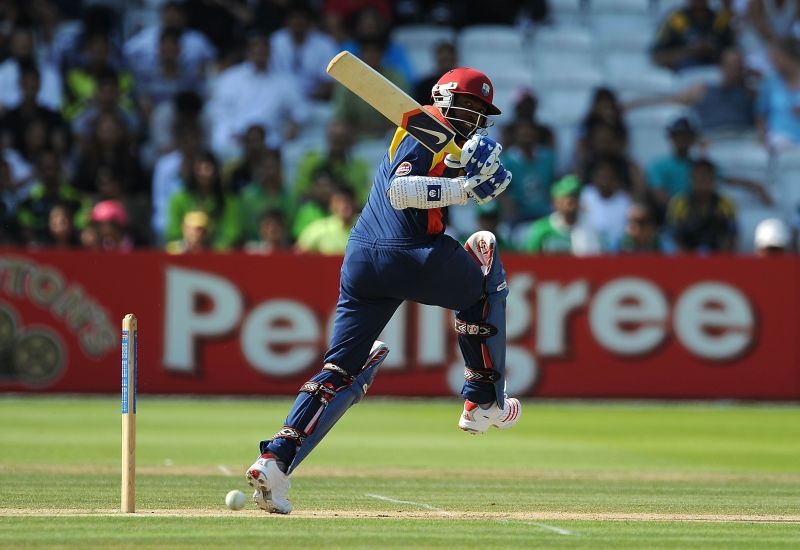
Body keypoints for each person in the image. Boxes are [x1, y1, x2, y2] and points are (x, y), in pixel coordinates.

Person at [245, 67, 519, 514]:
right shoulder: (427, 126)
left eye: (481, 113)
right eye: (468, 106)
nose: (473, 118)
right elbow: (401, 192)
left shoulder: (444, 142)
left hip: (362, 258)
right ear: (444, 99)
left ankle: (275, 461)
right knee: (484, 256)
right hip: (408, 251)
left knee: (341, 368)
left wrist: (475, 173)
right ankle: (482, 400)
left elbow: (442, 172)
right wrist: (469, 189)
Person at [666, 158, 737, 252]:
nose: (702, 180)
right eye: (698, 176)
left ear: (713, 179)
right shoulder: (679, 202)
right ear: (691, 178)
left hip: (717, 256)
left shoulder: (725, 203)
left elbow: (732, 234)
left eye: (706, 176)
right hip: (686, 257)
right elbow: (672, 234)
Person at [522, 175, 601, 255]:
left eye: (575, 196)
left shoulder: (589, 227)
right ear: (555, 202)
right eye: (566, 197)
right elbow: (530, 260)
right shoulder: (542, 229)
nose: (571, 200)